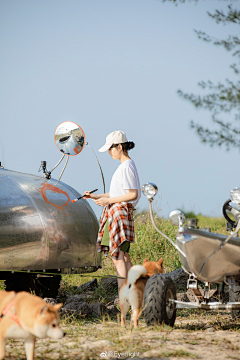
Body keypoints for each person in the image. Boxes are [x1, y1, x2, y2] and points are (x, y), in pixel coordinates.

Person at [83, 130, 141, 294]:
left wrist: (107, 201)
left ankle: (124, 297)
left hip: (119, 214)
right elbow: (118, 193)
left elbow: (133, 194)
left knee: (118, 258)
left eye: (111, 149)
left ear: (120, 147)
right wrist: (96, 196)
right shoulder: (126, 166)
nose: (109, 152)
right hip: (119, 213)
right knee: (124, 257)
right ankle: (132, 294)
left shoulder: (126, 167)